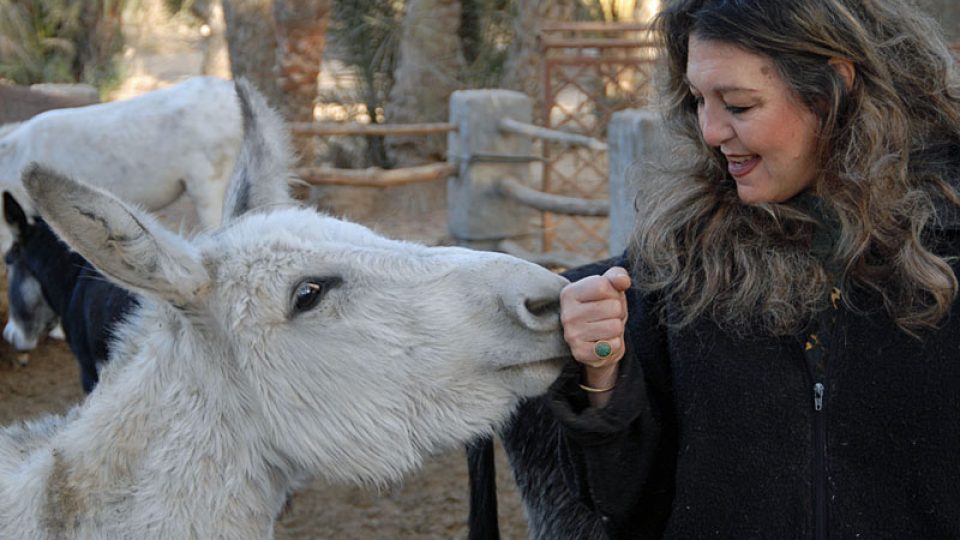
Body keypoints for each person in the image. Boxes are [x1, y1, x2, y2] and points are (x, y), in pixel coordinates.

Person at [547, 0, 960, 537]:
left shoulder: (946, 247)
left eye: (739, 105)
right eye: (698, 100)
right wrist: (603, 370)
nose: (711, 131)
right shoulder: (678, 261)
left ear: (833, 89)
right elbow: (630, 503)